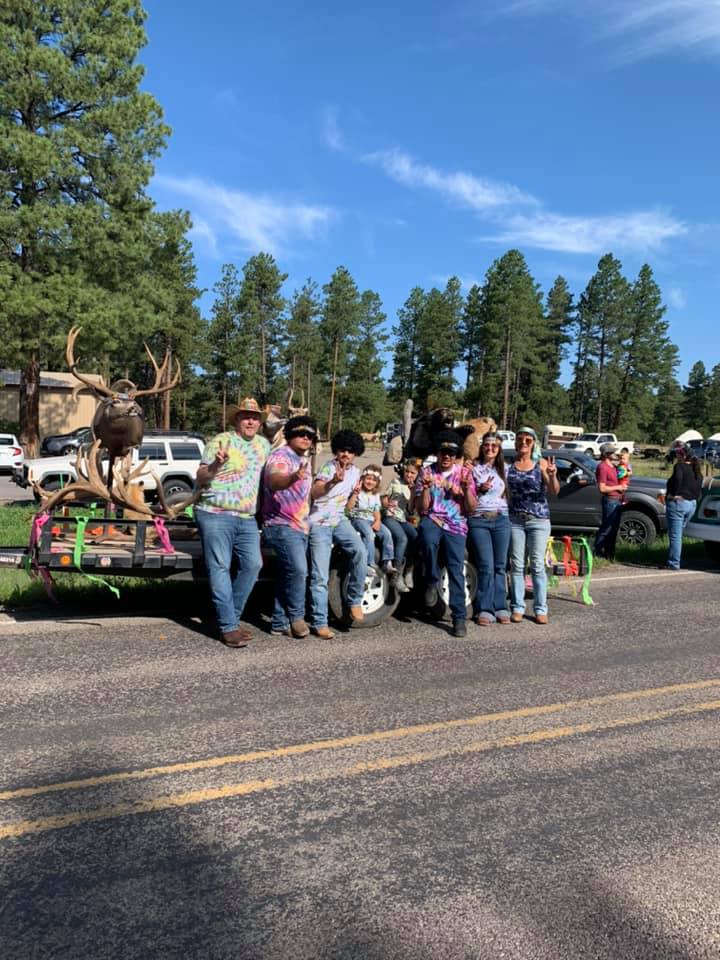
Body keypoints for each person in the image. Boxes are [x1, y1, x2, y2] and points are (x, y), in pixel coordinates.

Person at [195, 398, 270, 648]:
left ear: (260, 422)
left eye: (255, 417)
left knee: (253, 564)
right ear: (236, 419)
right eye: (245, 416)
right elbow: (201, 477)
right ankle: (228, 626)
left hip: (246, 517)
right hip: (215, 512)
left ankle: (231, 619)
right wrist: (216, 464)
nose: (250, 420)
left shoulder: (264, 445)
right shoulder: (220, 441)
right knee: (220, 567)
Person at [260, 414, 317, 638]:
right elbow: (274, 481)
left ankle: (278, 622)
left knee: (287, 574)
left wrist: (332, 484)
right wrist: (293, 478)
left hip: (300, 525)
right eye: (300, 433)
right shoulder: (281, 456)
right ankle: (296, 616)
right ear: (290, 434)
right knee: (299, 571)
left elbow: (309, 494)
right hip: (280, 524)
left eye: (310, 435)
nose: (306, 437)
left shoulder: (303, 460)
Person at [307, 429, 367, 639]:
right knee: (320, 575)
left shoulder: (356, 472)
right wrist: (333, 481)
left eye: (350, 451)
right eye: (342, 449)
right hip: (320, 522)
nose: (346, 454)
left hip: (339, 519)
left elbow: (348, 506)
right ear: (337, 450)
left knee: (361, 552)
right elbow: (314, 494)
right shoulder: (328, 467)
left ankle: (354, 600)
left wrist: (355, 495)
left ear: (356, 453)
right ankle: (319, 622)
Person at [415, 430, 475, 637]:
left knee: (456, 569)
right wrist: (425, 489)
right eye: (443, 452)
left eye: (451, 453)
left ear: (456, 455)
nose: (447, 456)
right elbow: (421, 509)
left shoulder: (465, 474)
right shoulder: (427, 472)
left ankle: (459, 617)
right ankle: (432, 579)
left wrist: (466, 490)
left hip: (457, 524)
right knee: (427, 537)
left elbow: (472, 508)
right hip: (433, 518)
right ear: (438, 453)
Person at [507, 427, 559, 625]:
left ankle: (540, 608)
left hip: (538, 520)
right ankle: (518, 607)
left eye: (528, 440)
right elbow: (507, 493)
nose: (523, 443)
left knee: (536, 565)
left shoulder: (542, 464)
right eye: (520, 439)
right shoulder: (510, 466)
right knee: (517, 565)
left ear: (533, 443)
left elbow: (554, 491)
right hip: (515, 520)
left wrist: (552, 475)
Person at [467, 431, 511, 626]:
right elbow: (464, 492)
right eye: (487, 444)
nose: (490, 448)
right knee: (486, 565)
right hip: (480, 520)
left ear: (499, 448)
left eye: (495, 445)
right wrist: (479, 488)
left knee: (500, 566)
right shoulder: (472, 468)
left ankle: (501, 605)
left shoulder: (506, 469)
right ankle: (484, 609)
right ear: (482, 446)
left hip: (501, 520)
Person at [348, 464, 396, 576]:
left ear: (377, 483)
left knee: (387, 533)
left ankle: (387, 561)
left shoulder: (375, 495)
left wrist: (378, 521)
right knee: (369, 534)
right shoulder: (358, 492)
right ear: (363, 478)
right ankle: (369, 563)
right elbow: (348, 508)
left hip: (371, 519)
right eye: (368, 479)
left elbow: (376, 511)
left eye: (374, 480)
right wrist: (355, 494)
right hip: (358, 518)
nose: (370, 482)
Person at [381, 460, 420, 593]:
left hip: (403, 519)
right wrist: (386, 504)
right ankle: (396, 575)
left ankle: (409, 570)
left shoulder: (414, 487)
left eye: (412, 473)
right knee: (402, 538)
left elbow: (410, 509)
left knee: (417, 537)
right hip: (390, 517)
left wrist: (413, 491)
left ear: (416, 475)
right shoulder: (395, 482)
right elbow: (384, 497)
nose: (409, 475)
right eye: (407, 471)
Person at [665, 443, 702, 570]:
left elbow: (678, 480)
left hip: (678, 504)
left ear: (684, 455)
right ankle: (678, 559)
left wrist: (672, 495)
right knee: (679, 534)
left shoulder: (679, 466)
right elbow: (698, 488)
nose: (677, 455)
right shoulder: (696, 469)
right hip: (691, 504)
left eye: (679, 453)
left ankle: (674, 563)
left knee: (675, 535)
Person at [594, 442, 626, 560]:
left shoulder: (612, 466)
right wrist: (617, 488)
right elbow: (602, 488)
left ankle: (609, 553)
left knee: (614, 529)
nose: (615, 454)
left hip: (617, 500)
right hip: (610, 500)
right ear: (607, 454)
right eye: (613, 452)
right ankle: (597, 552)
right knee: (607, 528)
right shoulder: (602, 467)